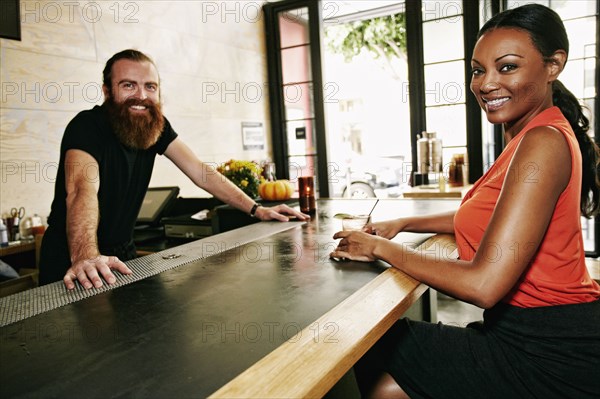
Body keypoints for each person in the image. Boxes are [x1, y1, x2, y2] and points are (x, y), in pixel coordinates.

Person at [331, 4, 600, 398]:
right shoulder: (529, 134)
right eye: (478, 70)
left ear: (553, 65)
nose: (486, 83)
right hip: (528, 330)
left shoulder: (542, 142)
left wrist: (380, 247)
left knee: (368, 342)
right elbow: (484, 215)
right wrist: (403, 224)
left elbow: (485, 283)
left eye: (506, 67)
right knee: (387, 380)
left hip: (549, 347)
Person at [39, 49, 309, 291]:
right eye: (128, 85)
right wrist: (85, 255)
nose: (141, 96)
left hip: (122, 255)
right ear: (107, 91)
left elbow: (201, 172)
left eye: (150, 86)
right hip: (73, 262)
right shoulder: (86, 126)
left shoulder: (154, 125)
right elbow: (80, 188)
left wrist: (257, 209)